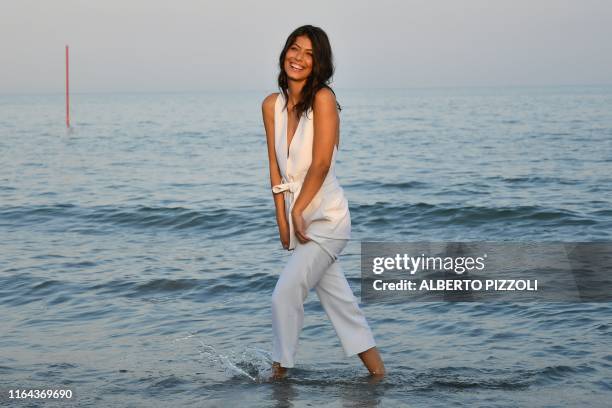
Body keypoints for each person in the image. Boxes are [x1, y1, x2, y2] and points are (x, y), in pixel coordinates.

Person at [262, 25, 386, 380]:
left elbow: (320, 163)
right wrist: (282, 219)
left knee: (284, 295)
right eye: (294, 49)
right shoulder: (272, 105)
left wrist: (298, 210)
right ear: (284, 51)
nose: (298, 58)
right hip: (298, 218)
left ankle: (279, 377)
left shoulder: (323, 99)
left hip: (327, 219)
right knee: (341, 306)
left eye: (309, 54)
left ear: (319, 64)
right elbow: (273, 164)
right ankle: (379, 375)